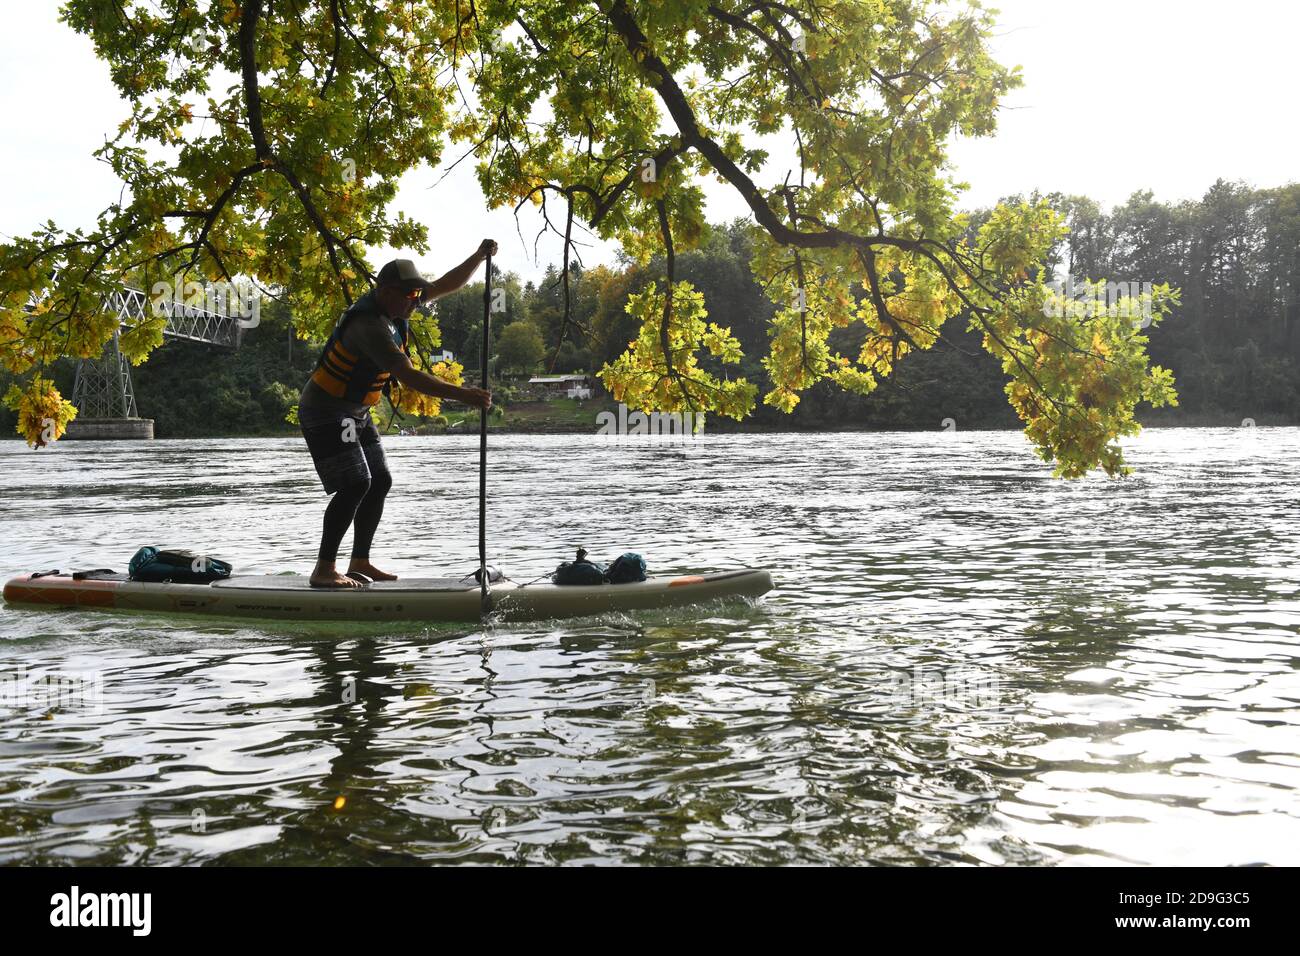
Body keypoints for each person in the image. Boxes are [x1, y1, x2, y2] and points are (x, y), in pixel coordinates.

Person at [298, 245, 495, 588]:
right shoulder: (368, 326)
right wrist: (465, 395)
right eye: (408, 294)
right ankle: (324, 569)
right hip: (326, 410)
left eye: (417, 293)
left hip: (356, 411)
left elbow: (448, 283)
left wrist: (478, 256)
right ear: (385, 291)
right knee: (355, 483)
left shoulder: (400, 303)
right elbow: (410, 377)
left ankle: (360, 560)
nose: (414, 300)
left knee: (380, 480)